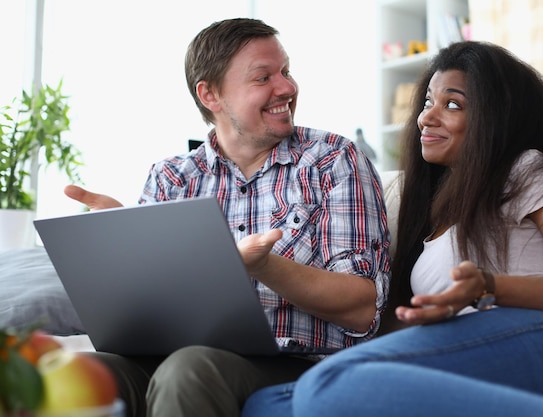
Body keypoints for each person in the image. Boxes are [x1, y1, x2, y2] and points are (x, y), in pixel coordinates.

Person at [240, 41, 543, 417]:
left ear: (496, 118)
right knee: (267, 405)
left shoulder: (525, 169)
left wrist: (489, 288)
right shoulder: (433, 212)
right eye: (428, 102)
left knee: (329, 385)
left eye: (453, 105)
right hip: (477, 360)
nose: (427, 117)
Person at [63, 18, 391, 417]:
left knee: (189, 370)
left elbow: (363, 308)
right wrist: (120, 249)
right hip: (172, 355)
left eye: (285, 71)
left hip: (295, 363)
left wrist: (264, 266)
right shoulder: (171, 177)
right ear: (210, 95)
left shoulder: (332, 160)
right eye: (263, 77)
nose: (286, 87)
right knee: (76, 372)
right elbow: (152, 307)